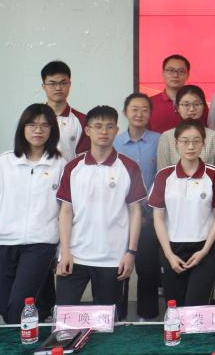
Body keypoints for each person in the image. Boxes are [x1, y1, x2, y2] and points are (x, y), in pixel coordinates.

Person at [0, 104, 66, 323]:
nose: (38, 130)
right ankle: (34, 329)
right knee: (4, 306)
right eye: (32, 124)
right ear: (22, 128)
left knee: (18, 307)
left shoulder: (60, 165)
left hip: (40, 244)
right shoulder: (3, 163)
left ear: (52, 130)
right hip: (2, 243)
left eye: (45, 125)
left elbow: (65, 211)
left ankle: (29, 330)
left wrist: (61, 252)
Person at [55, 105, 146, 319]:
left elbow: (135, 212)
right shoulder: (73, 167)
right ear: (87, 131)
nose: (103, 131)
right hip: (75, 255)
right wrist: (64, 251)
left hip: (112, 258)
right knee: (64, 319)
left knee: (108, 323)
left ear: (116, 130)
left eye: (109, 126)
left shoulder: (129, 167)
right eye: (97, 126)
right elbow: (66, 212)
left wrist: (131, 253)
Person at [149, 119, 215, 307]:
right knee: (174, 307)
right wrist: (168, 254)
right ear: (176, 143)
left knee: (197, 306)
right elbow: (158, 217)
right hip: (171, 248)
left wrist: (205, 251)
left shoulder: (214, 175)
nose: (190, 146)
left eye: (196, 141)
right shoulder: (164, 176)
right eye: (185, 141)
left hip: (205, 249)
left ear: (203, 144)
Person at [114, 93, 161, 320]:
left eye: (144, 109)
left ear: (150, 113)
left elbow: (162, 175)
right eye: (134, 109)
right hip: (121, 215)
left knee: (148, 268)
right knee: (118, 266)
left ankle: (147, 315)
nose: (139, 114)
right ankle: (118, 315)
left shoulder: (160, 140)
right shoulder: (115, 142)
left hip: (150, 216)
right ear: (125, 112)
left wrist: (146, 211)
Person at [156, 86, 215, 171]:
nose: (192, 109)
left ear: (204, 106)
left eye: (197, 104)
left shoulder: (214, 137)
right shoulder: (167, 137)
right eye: (186, 105)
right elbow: (162, 171)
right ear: (177, 107)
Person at [40, 60, 89, 161]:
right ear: (43, 86)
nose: (58, 88)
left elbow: (83, 159)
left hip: (71, 171)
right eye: (52, 83)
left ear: (69, 84)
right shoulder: (33, 119)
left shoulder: (83, 120)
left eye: (63, 83)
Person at [149, 54, 207, 133]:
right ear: (163, 73)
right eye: (170, 70)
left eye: (181, 71)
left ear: (187, 75)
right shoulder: (150, 103)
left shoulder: (198, 103)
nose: (175, 75)